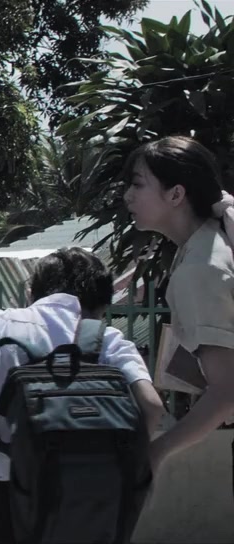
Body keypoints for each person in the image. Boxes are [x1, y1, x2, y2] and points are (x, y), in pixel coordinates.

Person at [0, 247, 166, 542]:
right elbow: (152, 406)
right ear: (100, 303)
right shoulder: (109, 340)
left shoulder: (4, 323)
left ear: (32, 292)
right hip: (94, 489)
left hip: (13, 481)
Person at [123, 135, 234, 474]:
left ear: (176, 194)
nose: (127, 195)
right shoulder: (208, 245)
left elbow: (226, 392)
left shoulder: (200, 266)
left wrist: (155, 454)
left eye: (137, 184)